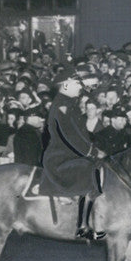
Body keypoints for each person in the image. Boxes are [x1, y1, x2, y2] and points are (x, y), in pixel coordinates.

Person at [39, 66, 107, 240]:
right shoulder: (62, 106)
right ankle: (82, 226)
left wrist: (94, 149)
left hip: (70, 154)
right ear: (66, 85)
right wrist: (92, 152)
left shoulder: (70, 105)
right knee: (89, 169)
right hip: (59, 157)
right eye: (77, 84)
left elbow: (80, 134)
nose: (80, 87)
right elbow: (68, 136)